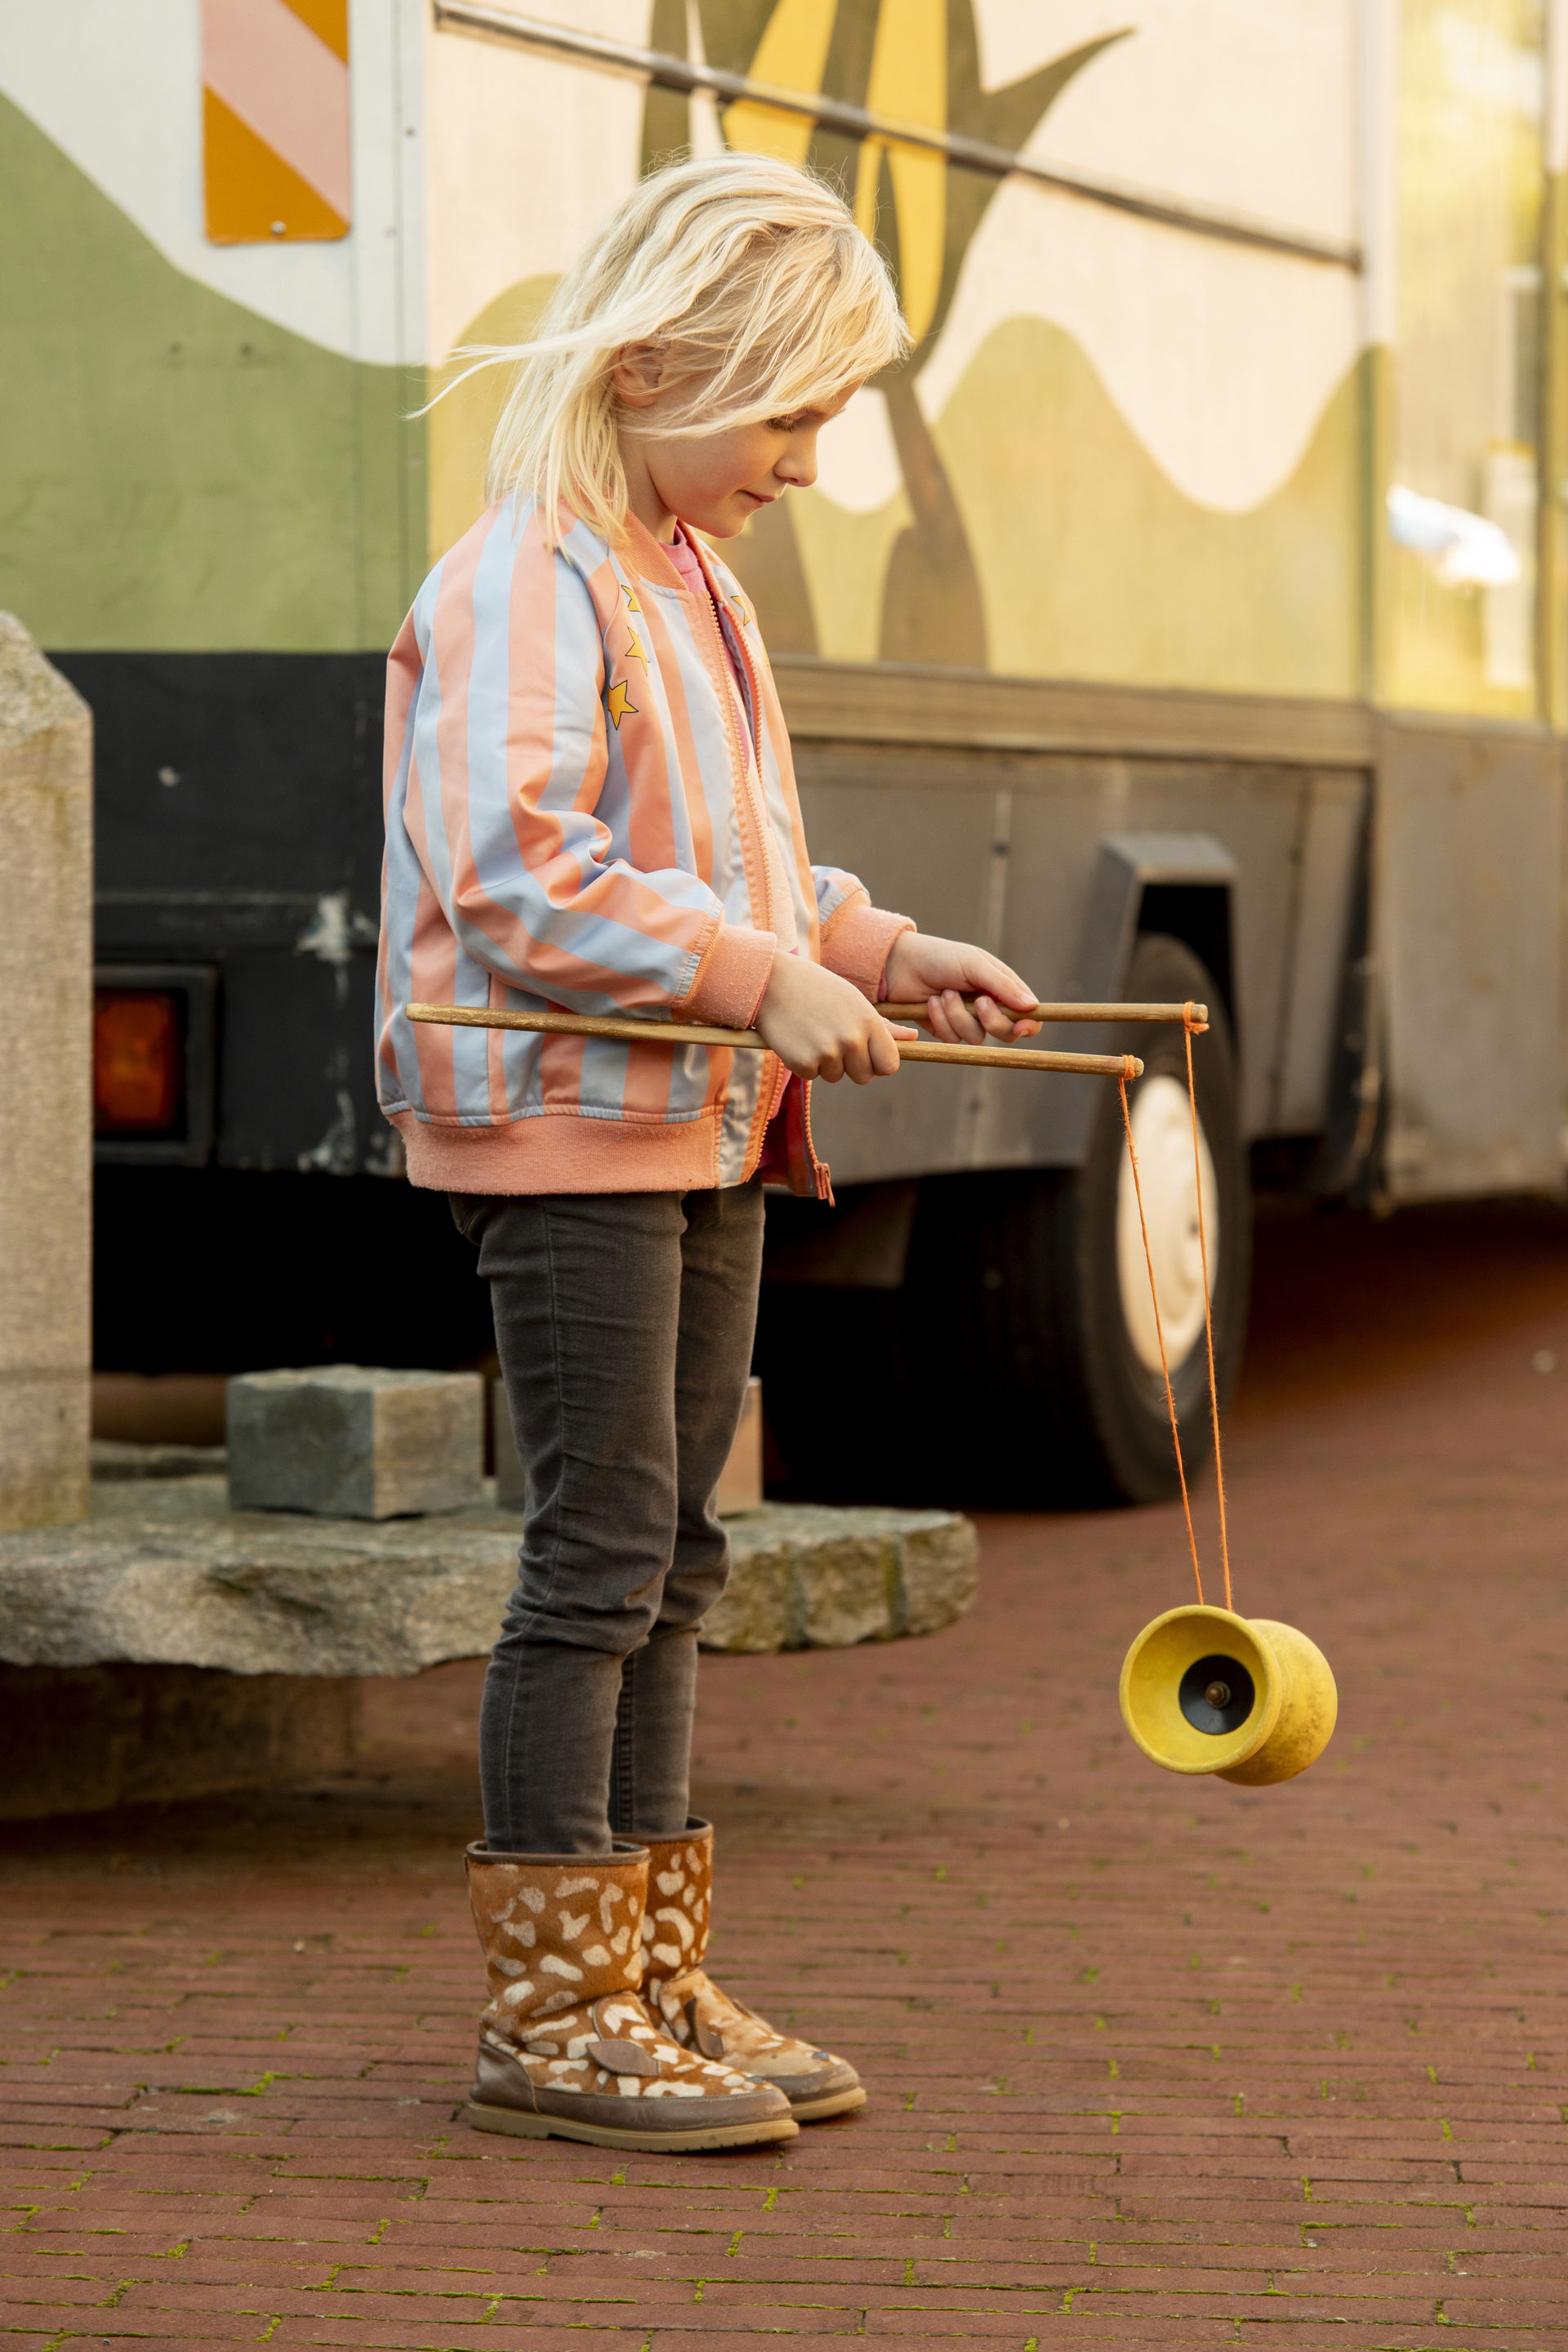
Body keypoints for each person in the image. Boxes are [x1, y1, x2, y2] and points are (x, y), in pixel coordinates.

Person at [376, 153, 1040, 2154]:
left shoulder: (690, 579)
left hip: (700, 1122)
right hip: (575, 1133)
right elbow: (514, 878)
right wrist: (762, 977)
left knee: (676, 1555)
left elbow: (724, 866)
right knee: (593, 1562)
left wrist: (874, 948)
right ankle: (555, 2016)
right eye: (793, 412)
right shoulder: (523, 574)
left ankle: (654, 1967)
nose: (817, 463)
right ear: (654, 363)